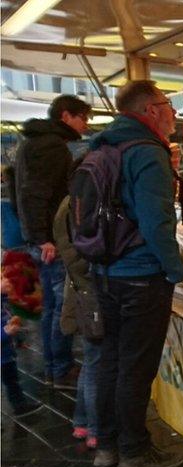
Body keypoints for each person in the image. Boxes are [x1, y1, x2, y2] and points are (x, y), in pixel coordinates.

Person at [87, 80, 183, 467]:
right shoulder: (147, 153)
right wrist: (176, 269)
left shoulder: (103, 146)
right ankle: (134, 454)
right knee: (135, 368)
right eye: (168, 104)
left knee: (109, 362)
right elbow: (156, 221)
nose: (174, 112)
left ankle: (106, 447)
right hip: (142, 276)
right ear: (150, 110)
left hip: (104, 271)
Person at [14, 94, 91, 389]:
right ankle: (60, 368)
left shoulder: (34, 142)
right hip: (52, 240)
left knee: (50, 306)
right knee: (62, 304)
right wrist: (44, 238)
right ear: (65, 116)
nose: (85, 124)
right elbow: (36, 193)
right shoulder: (51, 146)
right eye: (82, 117)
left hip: (40, 237)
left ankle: (52, 366)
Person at [52, 195, 101, 449]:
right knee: (96, 364)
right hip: (89, 295)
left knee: (91, 363)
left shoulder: (68, 205)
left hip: (80, 294)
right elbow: (81, 259)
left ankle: (82, 421)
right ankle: (95, 430)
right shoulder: (76, 205)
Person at [2, 274, 41, 416]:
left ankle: (19, 405)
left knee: (12, 381)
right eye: (1, 279)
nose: (7, 281)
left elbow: (11, 320)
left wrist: (19, 339)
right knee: (10, 380)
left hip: (7, 354)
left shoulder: (5, 302)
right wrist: (5, 334)